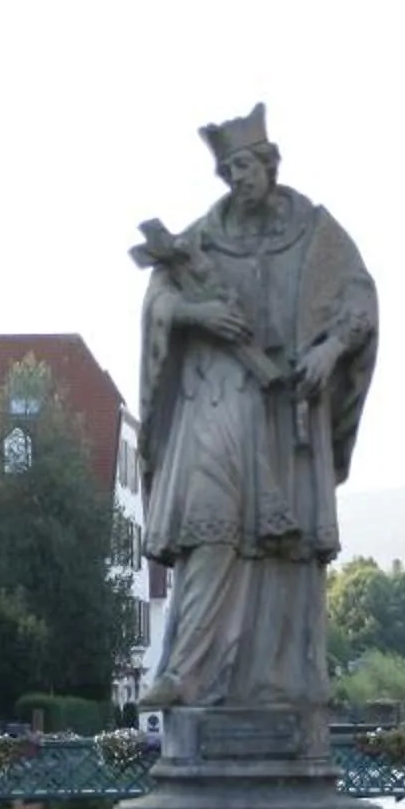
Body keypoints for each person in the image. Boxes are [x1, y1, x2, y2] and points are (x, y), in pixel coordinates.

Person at [134, 105, 378, 711]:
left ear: (269, 165)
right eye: (227, 169)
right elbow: (158, 303)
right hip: (215, 397)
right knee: (208, 529)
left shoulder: (318, 234)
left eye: (243, 165)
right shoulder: (197, 241)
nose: (235, 178)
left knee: (288, 546)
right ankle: (189, 675)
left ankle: (288, 684)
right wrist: (197, 315)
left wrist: (330, 349)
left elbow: (360, 301)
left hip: (291, 409)